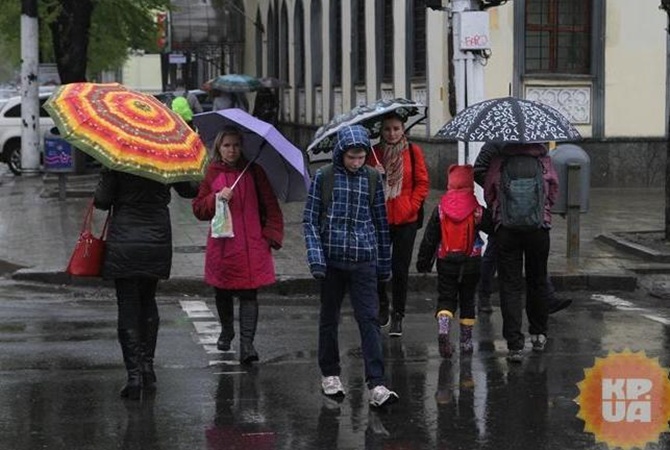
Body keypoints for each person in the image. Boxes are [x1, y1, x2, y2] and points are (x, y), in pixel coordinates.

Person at [303, 124, 399, 407]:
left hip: (364, 260)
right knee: (329, 317)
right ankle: (330, 373)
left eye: (361, 157)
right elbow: (309, 220)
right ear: (341, 154)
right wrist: (316, 258)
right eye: (351, 157)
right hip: (332, 261)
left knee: (369, 319)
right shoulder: (324, 177)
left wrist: (384, 265)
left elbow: (381, 225)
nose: (356, 163)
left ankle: (377, 383)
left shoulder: (371, 178)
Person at [93, 170, 198, 400]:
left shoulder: (118, 161)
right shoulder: (166, 157)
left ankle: (133, 377)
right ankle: (147, 367)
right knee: (148, 300)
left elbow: (101, 201)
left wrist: (106, 175)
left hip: (125, 240)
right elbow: (191, 190)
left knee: (128, 305)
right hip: (156, 238)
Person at [192, 126, 283, 364]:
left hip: (251, 244)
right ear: (218, 148)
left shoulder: (254, 172)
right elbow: (199, 209)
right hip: (223, 245)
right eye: (226, 145)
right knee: (222, 290)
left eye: (235, 145)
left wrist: (270, 236)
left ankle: (247, 344)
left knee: (249, 293)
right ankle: (227, 330)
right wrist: (215, 198)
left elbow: (270, 206)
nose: (231, 150)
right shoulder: (211, 173)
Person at [474, 143, 572, 315]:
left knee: (535, 261)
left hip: (528, 210)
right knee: (492, 253)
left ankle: (547, 298)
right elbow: (479, 170)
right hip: (503, 210)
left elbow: (548, 184)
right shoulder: (494, 144)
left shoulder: (530, 146)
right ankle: (484, 295)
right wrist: (501, 189)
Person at [483, 143, 559, 362]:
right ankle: (538, 334)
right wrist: (543, 212)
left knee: (510, 285)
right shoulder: (544, 161)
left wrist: (500, 211)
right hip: (538, 229)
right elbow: (553, 192)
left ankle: (515, 344)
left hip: (507, 230)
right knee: (537, 281)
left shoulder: (499, 160)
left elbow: (489, 193)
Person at [367, 112, 430, 337]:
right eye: (387, 129)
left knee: (400, 269)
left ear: (403, 129)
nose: (392, 133)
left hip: (406, 220)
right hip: (380, 219)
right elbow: (363, 184)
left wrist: (411, 206)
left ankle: (398, 315)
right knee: (378, 267)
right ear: (380, 131)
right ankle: (382, 304)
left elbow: (422, 183)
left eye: (396, 128)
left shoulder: (413, 151)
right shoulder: (373, 154)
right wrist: (373, 175)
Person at [416, 165, 485, 357]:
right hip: (472, 261)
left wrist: (423, 262)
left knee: (446, 298)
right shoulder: (476, 208)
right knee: (468, 299)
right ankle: (466, 342)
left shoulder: (441, 208)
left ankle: (444, 329)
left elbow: (430, 237)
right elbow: (491, 227)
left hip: (446, 261)